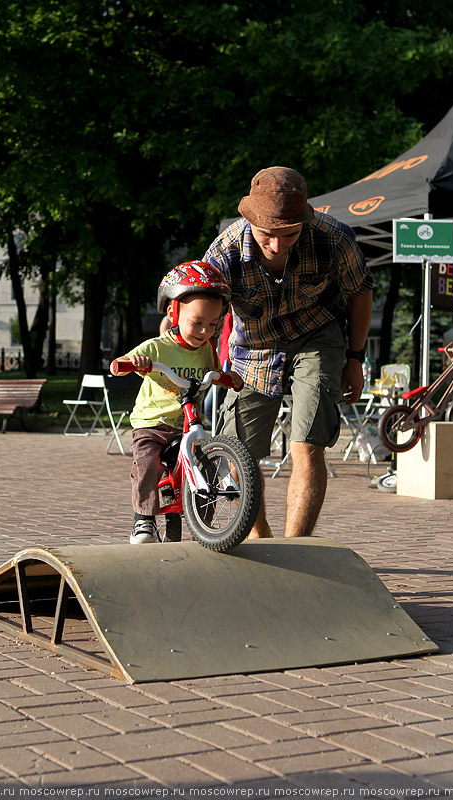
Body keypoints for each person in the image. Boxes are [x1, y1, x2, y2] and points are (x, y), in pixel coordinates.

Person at [203, 166, 373, 539]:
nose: (278, 246)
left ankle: (297, 546)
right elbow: (200, 307)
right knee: (238, 453)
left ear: (305, 220)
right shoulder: (224, 250)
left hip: (317, 337)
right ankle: (260, 538)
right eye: (268, 236)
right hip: (254, 347)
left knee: (307, 444)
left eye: (290, 235)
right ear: (250, 220)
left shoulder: (333, 238)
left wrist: (355, 359)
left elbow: (360, 292)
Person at [110, 261, 242, 544]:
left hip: (187, 425)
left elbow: (215, 372)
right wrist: (135, 363)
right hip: (153, 424)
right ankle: (143, 520)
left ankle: (203, 525)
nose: (205, 331)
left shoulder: (206, 349)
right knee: (147, 463)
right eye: (198, 323)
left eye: (212, 324)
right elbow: (118, 364)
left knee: (204, 466)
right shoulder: (158, 346)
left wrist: (227, 377)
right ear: (173, 312)